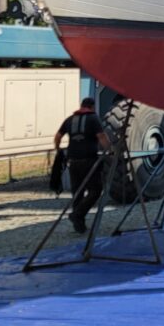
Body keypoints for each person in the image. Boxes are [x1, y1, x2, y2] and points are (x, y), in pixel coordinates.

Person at [55, 97, 110, 233]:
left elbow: (58, 136)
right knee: (95, 190)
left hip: (73, 161)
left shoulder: (69, 119)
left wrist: (58, 149)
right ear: (92, 107)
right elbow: (101, 136)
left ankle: (79, 226)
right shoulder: (93, 118)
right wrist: (110, 150)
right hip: (89, 160)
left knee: (77, 192)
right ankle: (77, 215)